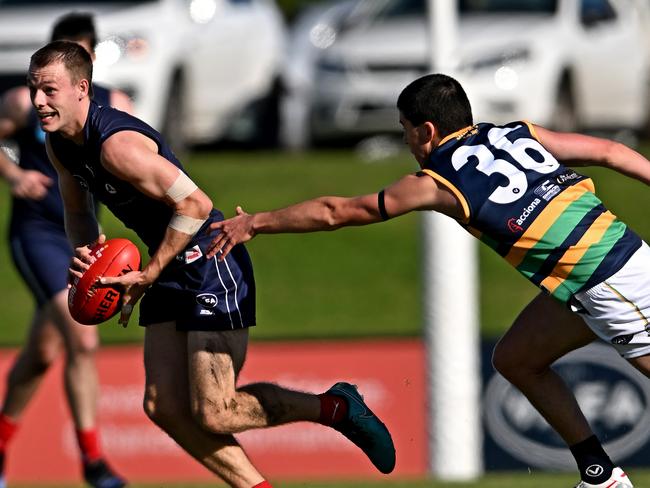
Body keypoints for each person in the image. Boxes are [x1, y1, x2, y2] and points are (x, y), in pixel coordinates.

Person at [206, 73, 650, 488]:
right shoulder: (517, 133)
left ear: (427, 131)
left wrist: (258, 223)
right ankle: (600, 474)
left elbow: (336, 212)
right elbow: (610, 152)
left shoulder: (437, 181)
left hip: (611, 283)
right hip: (597, 272)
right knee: (517, 359)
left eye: (404, 129)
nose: (406, 141)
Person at [26, 40, 396, 487]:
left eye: (49, 90)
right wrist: (86, 256)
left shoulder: (116, 147)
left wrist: (152, 270)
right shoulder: (61, 146)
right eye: (33, 90)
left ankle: (337, 407)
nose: (38, 101)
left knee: (216, 410)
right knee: (163, 406)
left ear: (82, 88)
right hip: (165, 262)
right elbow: (79, 210)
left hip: (209, 260)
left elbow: (197, 205)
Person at [0, 13, 133, 488]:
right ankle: (94, 464)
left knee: (41, 353)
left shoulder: (116, 107)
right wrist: (14, 175)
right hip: (38, 234)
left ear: (89, 63)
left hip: (84, 237)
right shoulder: (23, 102)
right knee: (83, 337)